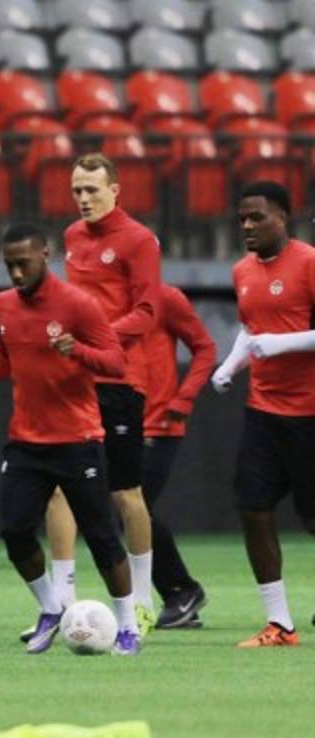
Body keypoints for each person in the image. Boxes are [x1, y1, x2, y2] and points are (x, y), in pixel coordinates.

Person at [0, 224, 142, 655]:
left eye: (24, 263)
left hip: (78, 440)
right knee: (14, 532)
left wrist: (79, 352)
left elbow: (115, 361)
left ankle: (128, 626)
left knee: (103, 538)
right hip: (26, 442)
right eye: (9, 266)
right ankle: (51, 608)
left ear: (46, 254)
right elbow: (7, 358)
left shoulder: (79, 305)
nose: (16, 274)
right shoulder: (3, 306)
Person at [45, 153, 161, 632]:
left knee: (124, 492)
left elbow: (149, 311)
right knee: (57, 488)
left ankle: (141, 599)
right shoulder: (72, 238)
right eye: (77, 190)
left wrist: (98, 337)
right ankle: (61, 603)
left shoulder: (137, 240)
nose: (84, 199)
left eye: (92, 189)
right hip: (74, 381)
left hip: (118, 381)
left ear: (117, 190)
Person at [211, 181, 315, 648]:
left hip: (310, 412)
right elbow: (251, 329)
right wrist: (231, 364)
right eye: (242, 219)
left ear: (283, 219)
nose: (247, 226)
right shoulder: (242, 271)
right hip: (264, 410)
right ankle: (280, 624)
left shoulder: (310, 263)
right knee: (253, 508)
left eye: (257, 217)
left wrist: (283, 343)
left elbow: (275, 337)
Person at [141, 283, 216, 628]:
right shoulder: (98, 299)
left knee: (130, 506)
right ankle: (179, 596)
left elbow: (204, 348)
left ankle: (181, 590)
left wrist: (184, 397)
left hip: (158, 423)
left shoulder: (166, 298)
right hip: (113, 421)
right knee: (121, 510)